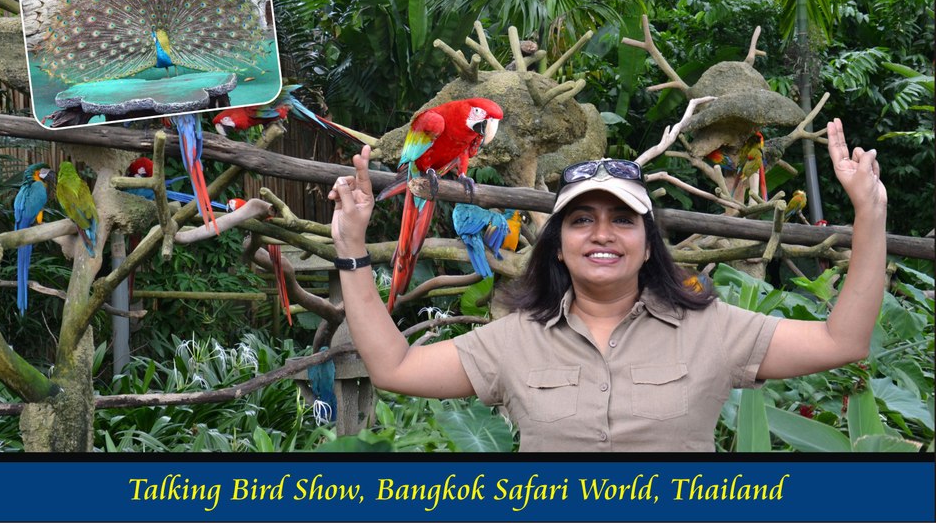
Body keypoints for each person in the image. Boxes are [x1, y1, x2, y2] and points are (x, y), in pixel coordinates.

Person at [327, 119, 888, 452]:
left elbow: (843, 340)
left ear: (648, 242)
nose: (602, 235)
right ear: (559, 243)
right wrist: (353, 250)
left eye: (623, 219)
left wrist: (869, 215)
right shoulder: (514, 339)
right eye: (580, 220)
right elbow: (394, 368)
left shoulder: (713, 329)